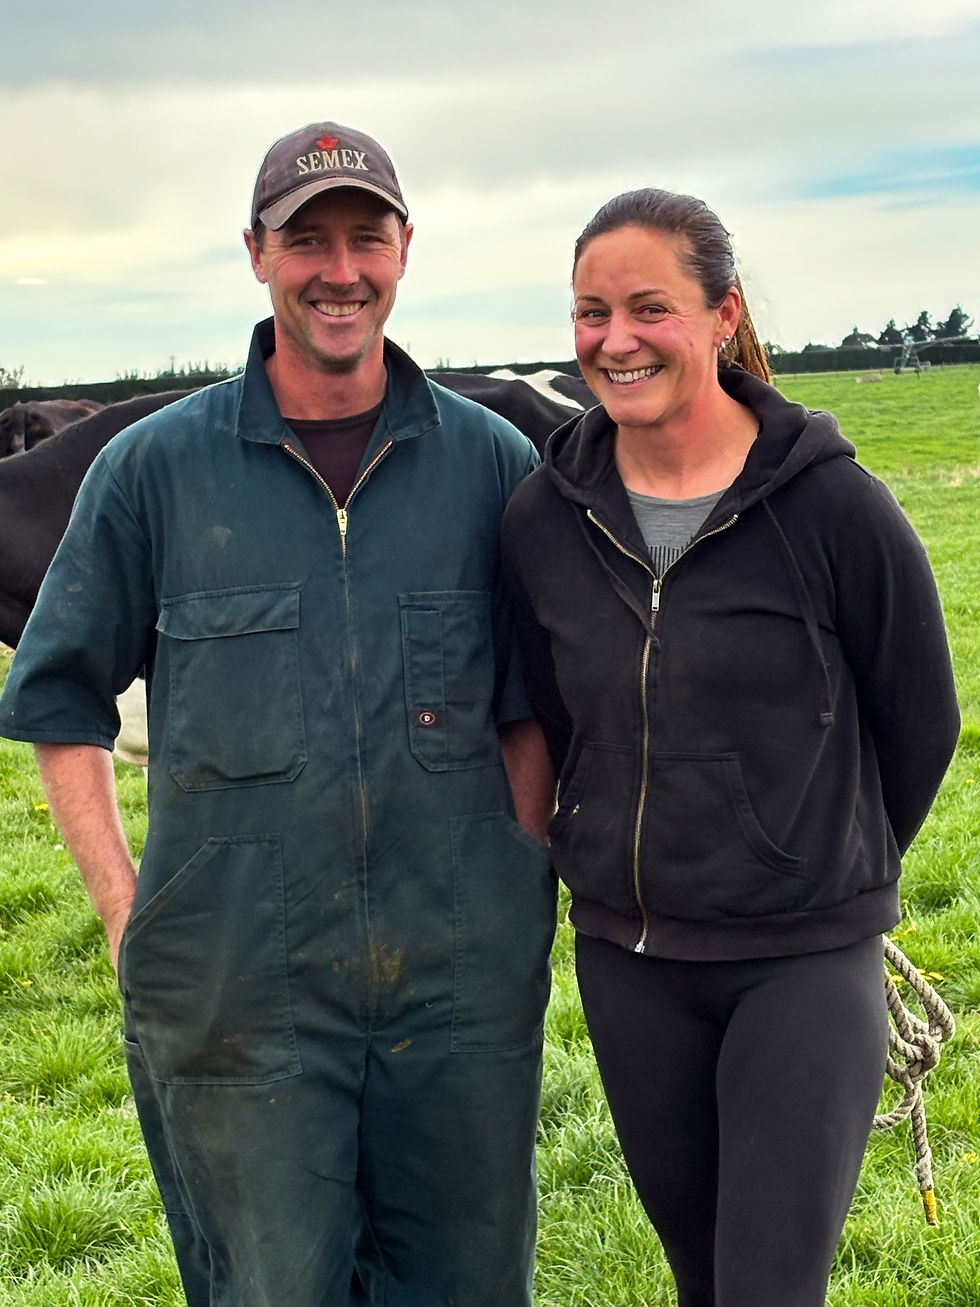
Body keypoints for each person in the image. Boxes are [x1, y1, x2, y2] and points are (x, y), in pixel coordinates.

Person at [0, 121, 557, 1306]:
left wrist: (510, 881)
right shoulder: (154, 469)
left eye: (365, 236)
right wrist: (127, 917)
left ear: (405, 249)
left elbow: (531, 705)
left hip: (459, 993)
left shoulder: (494, 463)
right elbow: (57, 698)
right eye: (307, 238)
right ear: (256, 253)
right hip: (233, 994)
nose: (337, 268)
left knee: (467, 1285)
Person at [500, 188, 960, 1306]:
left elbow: (919, 716)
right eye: (589, 312)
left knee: (766, 1289)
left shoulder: (832, 506)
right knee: (700, 1278)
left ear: (720, 317)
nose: (614, 340)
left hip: (800, 962)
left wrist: (812, 856)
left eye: (647, 308)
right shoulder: (543, 517)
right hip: (630, 960)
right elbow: (553, 720)